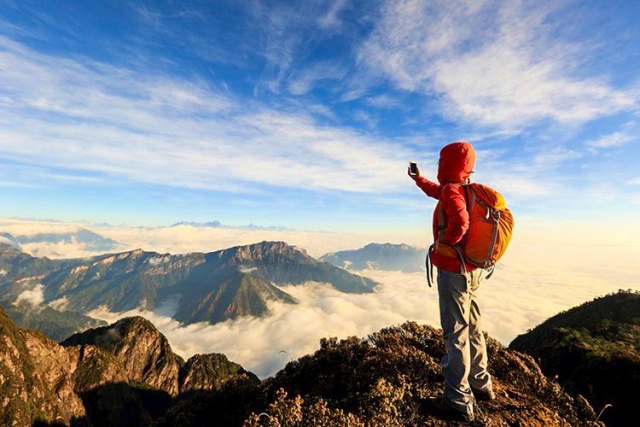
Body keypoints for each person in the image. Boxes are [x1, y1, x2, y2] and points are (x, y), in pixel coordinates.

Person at [408, 141, 495, 422]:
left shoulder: (453, 191)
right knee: (473, 327)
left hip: (453, 272)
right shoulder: (464, 189)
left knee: (455, 331)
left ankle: (457, 398)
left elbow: (460, 222)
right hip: (471, 271)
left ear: (446, 162)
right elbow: (440, 193)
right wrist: (418, 179)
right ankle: (482, 384)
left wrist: (446, 239)